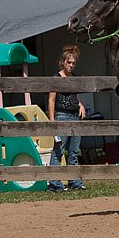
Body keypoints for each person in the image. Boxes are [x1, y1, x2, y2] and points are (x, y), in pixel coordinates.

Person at [47, 45, 87, 192]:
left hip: (75, 115)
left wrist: (81, 105)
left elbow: (73, 96)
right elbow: (51, 100)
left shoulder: (74, 78)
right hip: (61, 115)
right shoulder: (56, 78)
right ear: (63, 62)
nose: (71, 65)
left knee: (74, 150)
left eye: (73, 63)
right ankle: (54, 183)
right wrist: (52, 121)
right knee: (59, 150)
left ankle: (74, 181)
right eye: (69, 62)